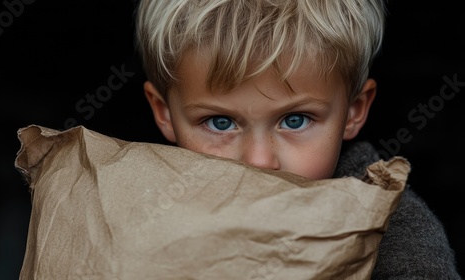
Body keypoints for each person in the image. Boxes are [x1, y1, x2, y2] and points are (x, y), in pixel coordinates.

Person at [133, 0, 462, 278]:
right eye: (220, 123)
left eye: (295, 120)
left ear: (353, 111)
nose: (259, 161)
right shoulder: (137, 203)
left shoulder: (387, 225)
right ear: (164, 113)